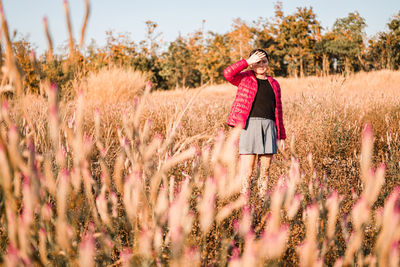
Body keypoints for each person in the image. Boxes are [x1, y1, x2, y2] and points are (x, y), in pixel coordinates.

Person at [223, 49, 286, 198]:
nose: (261, 65)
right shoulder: (244, 78)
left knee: (265, 170)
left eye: (264, 61)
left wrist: (281, 135)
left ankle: (262, 200)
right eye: (257, 62)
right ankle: (245, 202)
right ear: (252, 64)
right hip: (249, 127)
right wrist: (247, 62)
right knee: (248, 170)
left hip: (269, 127)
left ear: (268, 63)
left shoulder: (274, 84)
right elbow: (227, 73)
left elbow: (279, 111)